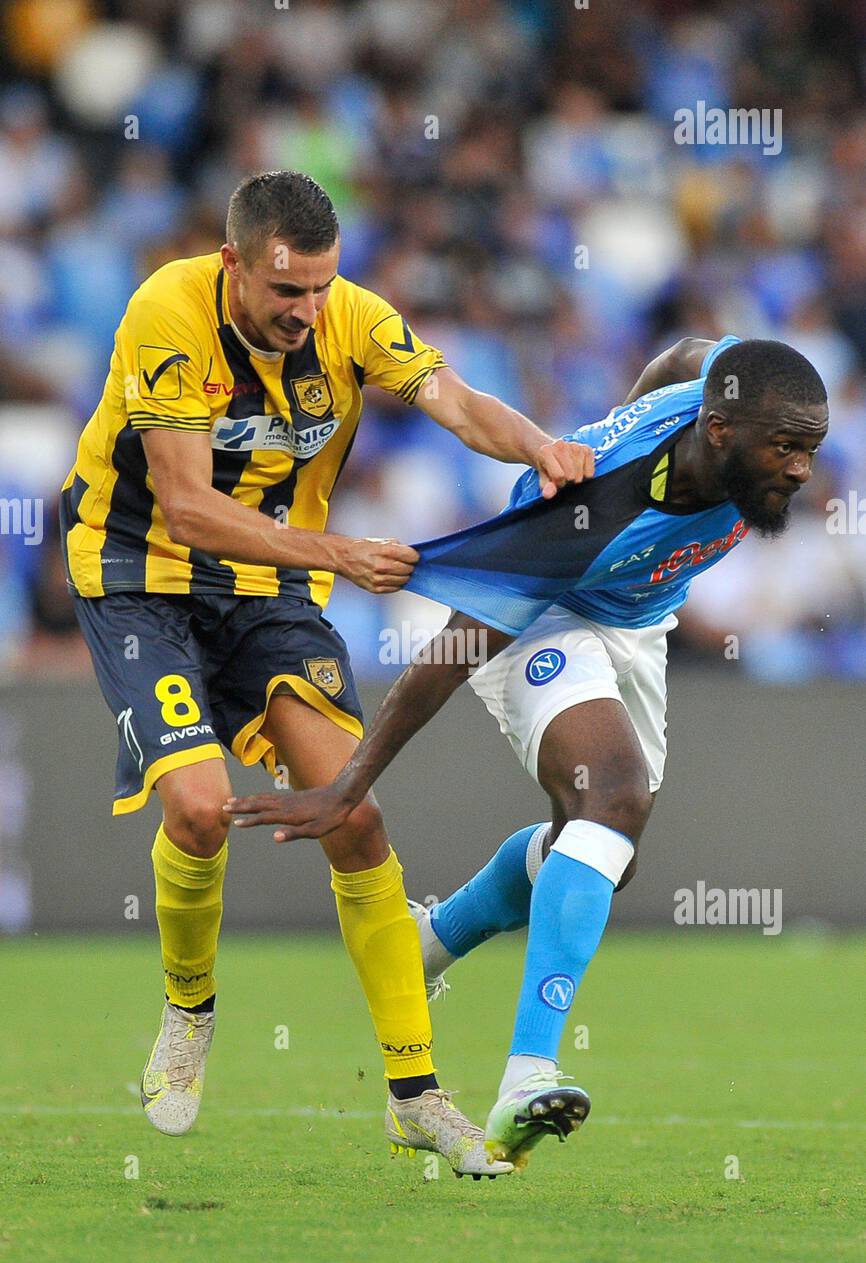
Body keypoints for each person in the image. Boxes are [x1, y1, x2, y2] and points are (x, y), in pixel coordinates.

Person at [60, 168, 595, 1177]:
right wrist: (345, 553)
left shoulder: (348, 317)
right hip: (139, 574)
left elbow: (450, 397)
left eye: (319, 289)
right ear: (232, 267)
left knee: (354, 812)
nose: (306, 312)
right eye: (284, 292)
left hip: (268, 586)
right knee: (198, 809)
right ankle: (188, 1010)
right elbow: (183, 507)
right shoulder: (165, 314)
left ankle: (414, 1095)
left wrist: (538, 444)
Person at [223, 336, 829, 1170]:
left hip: (637, 619)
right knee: (613, 796)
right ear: (719, 430)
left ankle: (429, 939)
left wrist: (618, 413)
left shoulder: (724, 386)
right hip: (536, 613)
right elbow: (456, 645)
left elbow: (686, 352)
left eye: (811, 449)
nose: (801, 470)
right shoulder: (587, 512)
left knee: (602, 855)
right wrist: (349, 786)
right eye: (787, 448)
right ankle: (526, 1073)